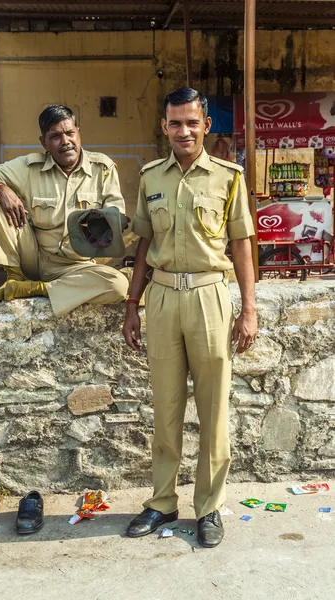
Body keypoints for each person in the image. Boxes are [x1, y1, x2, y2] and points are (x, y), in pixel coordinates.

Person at [122, 88, 257, 548]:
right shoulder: (150, 177)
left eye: (192, 123)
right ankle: (162, 502)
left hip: (209, 299)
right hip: (160, 299)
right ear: (164, 127)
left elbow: (242, 245)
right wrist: (131, 306)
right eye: (175, 123)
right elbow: (142, 245)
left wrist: (249, 310)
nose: (184, 131)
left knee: (214, 409)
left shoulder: (228, 177)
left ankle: (209, 508)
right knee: (166, 410)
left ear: (206, 126)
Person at [0, 105, 129, 317]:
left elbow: (117, 220)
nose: (66, 141)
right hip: (34, 257)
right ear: (44, 143)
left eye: (70, 133)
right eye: (56, 136)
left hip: (77, 266)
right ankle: (15, 277)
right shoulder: (30, 168)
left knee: (118, 285)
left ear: (79, 132)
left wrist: (106, 226)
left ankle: (33, 289)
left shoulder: (103, 169)